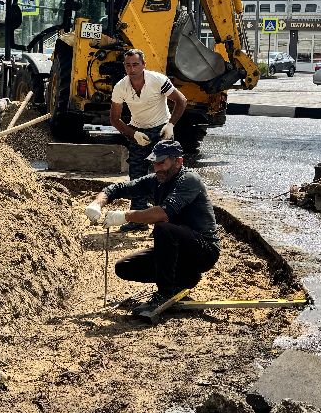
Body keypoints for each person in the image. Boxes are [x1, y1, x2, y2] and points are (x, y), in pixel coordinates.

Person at [85, 139, 220, 320]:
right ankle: (184, 278)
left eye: (162, 163)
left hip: (204, 250)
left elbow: (162, 213)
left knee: (163, 228)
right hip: (178, 251)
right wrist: (97, 203)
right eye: (154, 163)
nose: (157, 168)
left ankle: (165, 293)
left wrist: (126, 216)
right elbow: (117, 188)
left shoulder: (189, 180)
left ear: (178, 161)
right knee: (124, 267)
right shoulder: (156, 180)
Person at [109, 48, 186, 230]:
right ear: (124, 67)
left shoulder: (157, 80)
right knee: (137, 174)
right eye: (128, 65)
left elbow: (181, 100)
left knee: (166, 173)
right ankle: (138, 219)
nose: (132, 69)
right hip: (138, 130)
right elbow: (114, 119)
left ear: (144, 65)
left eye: (136, 64)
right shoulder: (121, 87)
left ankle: (167, 221)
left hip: (161, 129)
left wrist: (170, 125)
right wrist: (133, 134)